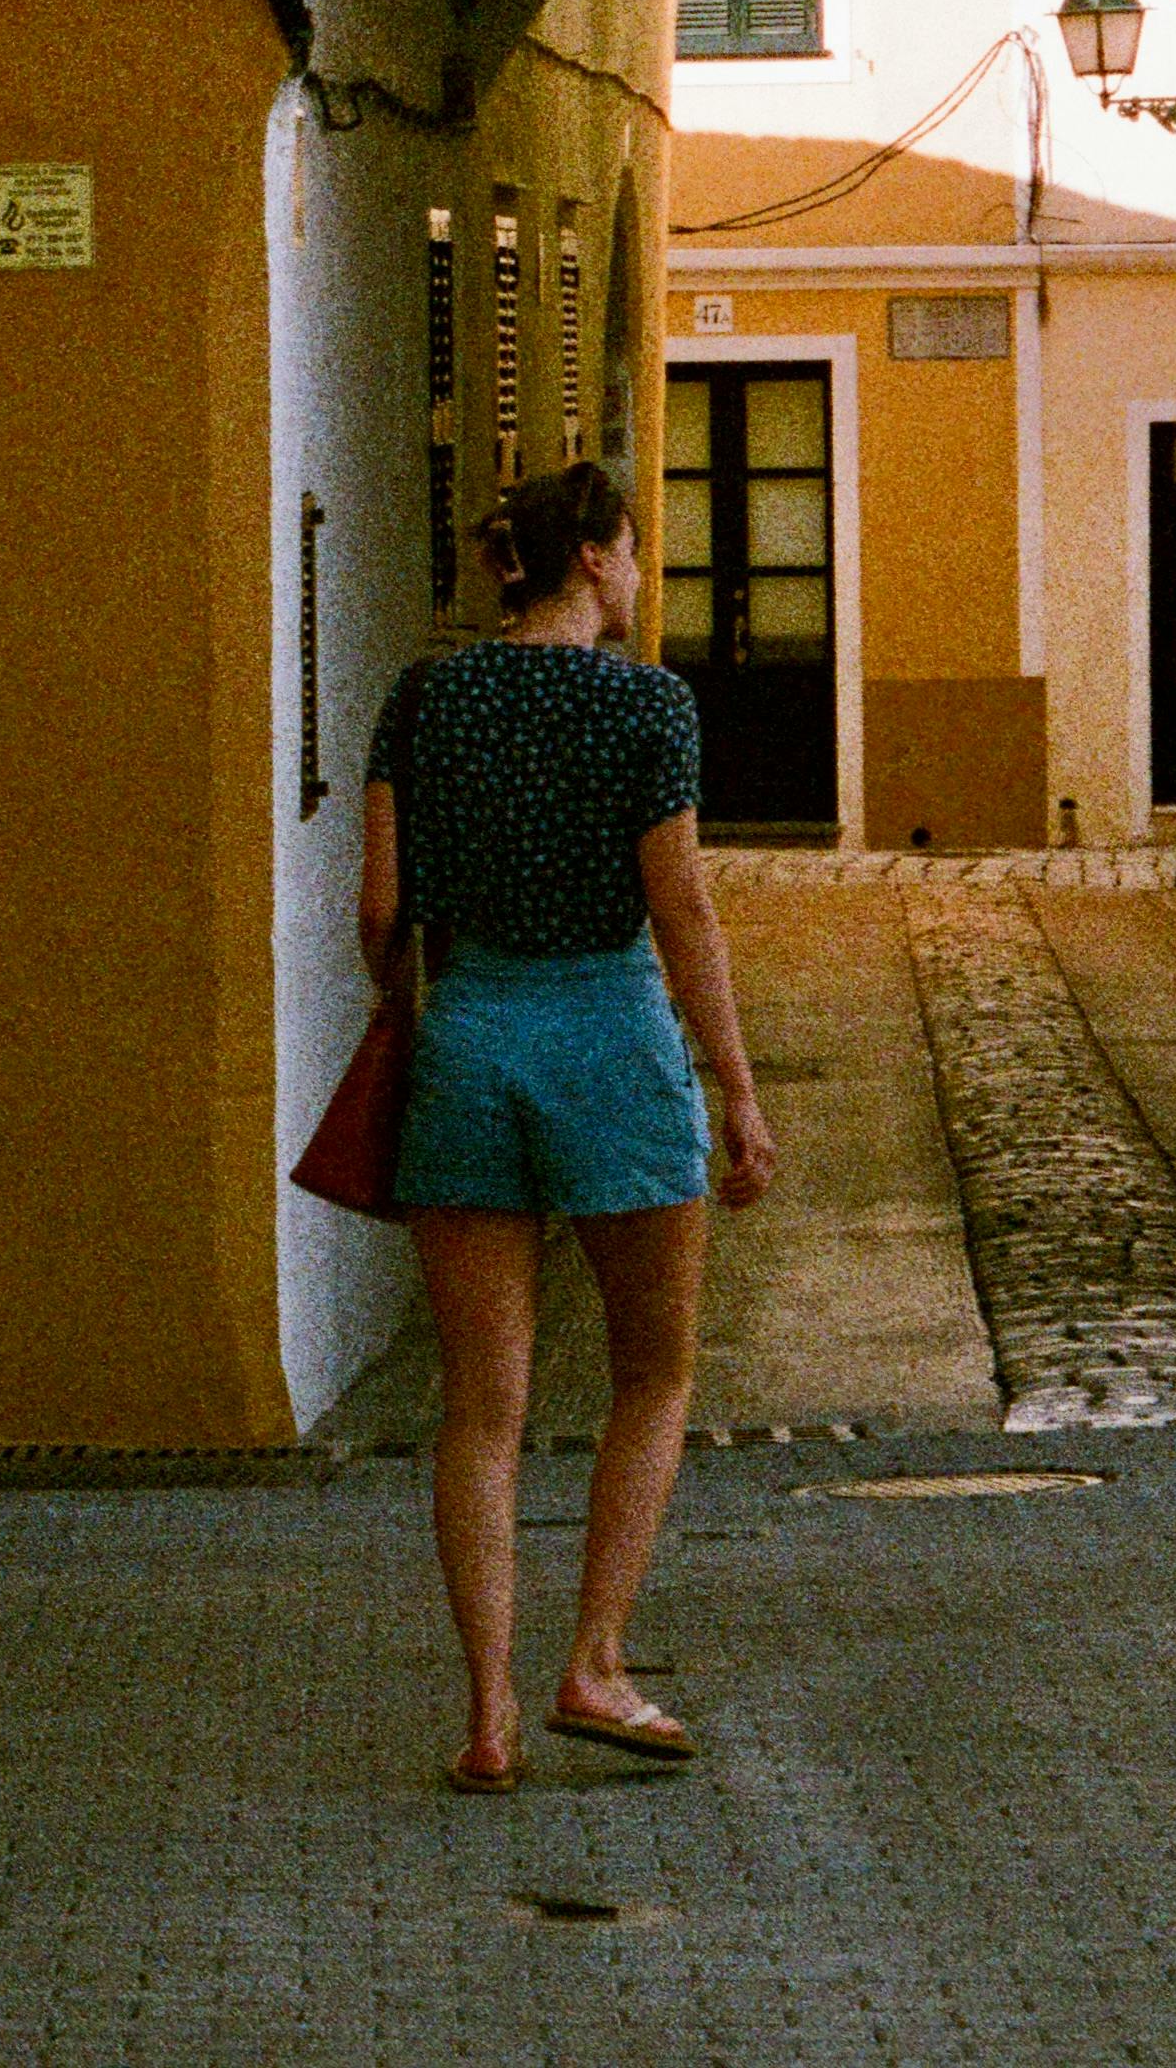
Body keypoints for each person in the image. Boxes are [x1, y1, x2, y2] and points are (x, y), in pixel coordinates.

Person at [360, 457, 779, 1795]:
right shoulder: (646, 705)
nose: (640, 572)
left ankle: (485, 1715)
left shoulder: (422, 697)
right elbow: (680, 907)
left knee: (480, 1407)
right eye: (634, 548)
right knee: (651, 1371)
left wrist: (413, 1013)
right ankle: (593, 1662)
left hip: (469, 1042)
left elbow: (378, 911)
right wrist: (735, 1084)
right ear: (594, 556)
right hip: (611, 1042)